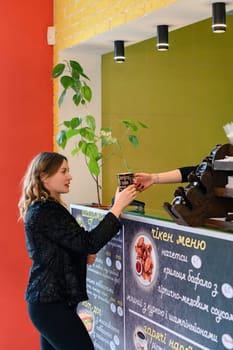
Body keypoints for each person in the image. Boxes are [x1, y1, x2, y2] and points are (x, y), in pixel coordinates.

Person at [18, 151, 137, 350]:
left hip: (49, 304)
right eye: (63, 171)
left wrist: (81, 254)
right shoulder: (46, 210)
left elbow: (67, 245)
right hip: (50, 305)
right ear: (44, 177)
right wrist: (117, 208)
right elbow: (88, 242)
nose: (70, 176)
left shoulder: (45, 208)